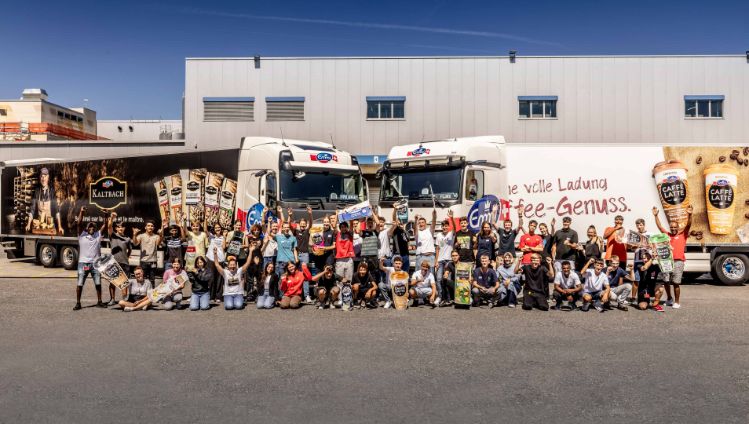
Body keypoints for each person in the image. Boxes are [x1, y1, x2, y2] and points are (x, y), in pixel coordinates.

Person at [653, 205, 692, 309]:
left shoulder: (683, 234)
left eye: (675, 227)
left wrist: (690, 214)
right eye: (672, 227)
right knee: (666, 281)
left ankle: (677, 302)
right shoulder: (667, 235)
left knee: (676, 283)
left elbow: (688, 225)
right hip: (666, 261)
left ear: (678, 227)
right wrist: (656, 216)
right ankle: (669, 298)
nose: (673, 229)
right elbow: (660, 227)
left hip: (678, 262)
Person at [74, 206, 107, 310]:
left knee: (98, 283)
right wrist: (82, 212)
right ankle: (78, 303)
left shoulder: (98, 235)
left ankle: (100, 301)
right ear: (86, 229)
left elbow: (105, 225)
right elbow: (79, 223)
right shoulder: (82, 236)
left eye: (93, 227)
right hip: (83, 263)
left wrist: (105, 214)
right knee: (80, 283)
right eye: (90, 227)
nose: (92, 228)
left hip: (95, 264)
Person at [26, 167, 63, 235]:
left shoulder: (51, 191)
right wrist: (28, 224)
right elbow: (32, 209)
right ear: (40, 178)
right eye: (42, 177)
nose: (43, 179)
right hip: (39, 225)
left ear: (48, 177)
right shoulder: (37, 191)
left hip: (50, 225)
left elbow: (56, 209)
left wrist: (60, 226)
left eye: (45, 176)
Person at [106, 212, 132, 306]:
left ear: (124, 228)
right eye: (119, 227)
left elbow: (130, 250)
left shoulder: (127, 239)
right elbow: (109, 227)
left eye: (122, 227)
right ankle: (112, 299)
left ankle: (124, 300)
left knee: (124, 283)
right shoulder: (112, 236)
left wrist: (126, 257)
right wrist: (112, 218)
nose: (120, 228)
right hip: (114, 263)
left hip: (125, 263)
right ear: (116, 228)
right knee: (113, 282)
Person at [628, 218, 652, 303]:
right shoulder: (634, 235)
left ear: (644, 225)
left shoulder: (649, 234)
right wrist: (636, 245)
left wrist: (647, 245)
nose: (639, 227)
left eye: (641, 225)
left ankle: (646, 297)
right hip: (637, 260)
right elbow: (630, 247)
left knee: (646, 281)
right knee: (636, 280)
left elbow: (652, 245)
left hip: (646, 261)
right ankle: (633, 298)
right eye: (637, 225)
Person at [132, 220, 162, 285]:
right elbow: (135, 243)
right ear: (145, 227)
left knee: (152, 280)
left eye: (152, 226)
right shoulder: (141, 236)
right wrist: (134, 234)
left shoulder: (156, 236)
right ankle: (143, 294)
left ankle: (151, 294)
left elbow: (158, 243)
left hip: (153, 261)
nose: (150, 227)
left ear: (153, 228)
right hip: (143, 261)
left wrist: (160, 234)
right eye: (148, 226)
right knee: (142, 279)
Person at [434, 211, 454, 305]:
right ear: (441, 227)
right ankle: (440, 296)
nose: (445, 227)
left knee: (447, 280)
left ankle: (448, 298)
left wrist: (451, 218)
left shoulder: (451, 234)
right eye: (443, 226)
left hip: (449, 260)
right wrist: (436, 261)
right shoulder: (438, 236)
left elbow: (454, 226)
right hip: (440, 260)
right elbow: (437, 249)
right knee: (438, 279)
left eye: (446, 226)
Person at [413, 210, 437, 282]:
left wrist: (434, 216)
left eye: (422, 222)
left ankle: (430, 291)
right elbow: (415, 229)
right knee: (418, 275)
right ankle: (417, 291)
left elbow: (434, 222)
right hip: (421, 256)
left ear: (426, 223)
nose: (421, 224)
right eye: (419, 223)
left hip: (431, 256)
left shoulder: (430, 231)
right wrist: (415, 220)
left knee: (431, 275)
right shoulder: (417, 232)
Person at [206, 223, 227, 303]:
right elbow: (205, 229)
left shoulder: (223, 237)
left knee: (219, 279)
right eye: (216, 228)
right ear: (213, 229)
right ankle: (211, 296)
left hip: (220, 259)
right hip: (211, 259)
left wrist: (224, 237)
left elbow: (224, 247)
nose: (217, 229)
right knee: (211, 278)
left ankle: (219, 296)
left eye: (219, 227)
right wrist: (206, 219)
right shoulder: (211, 236)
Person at [275, 213, 299, 278]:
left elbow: (294, 249)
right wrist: (280, 212)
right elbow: (268, 233)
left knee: (291, 278)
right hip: (281, 261)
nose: (286, 228)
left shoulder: (293, 238)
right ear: (282, 228)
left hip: (291, 261)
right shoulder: (278, 237)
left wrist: (296, 259)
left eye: (288, 227)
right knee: (282, 279)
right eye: (285, 227)